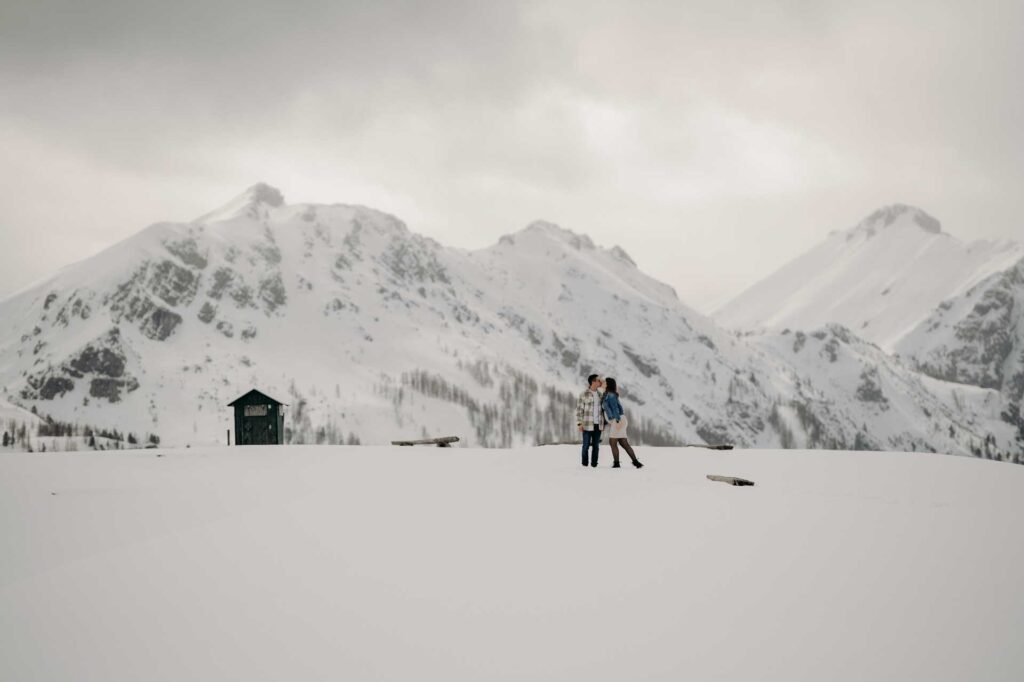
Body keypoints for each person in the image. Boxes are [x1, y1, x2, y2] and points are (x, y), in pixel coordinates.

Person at [602, 377, 643, 468]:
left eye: (605, 382)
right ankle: (636, 462)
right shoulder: (608, 394)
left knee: (613, 442)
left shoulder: (611, 395)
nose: (603, 383)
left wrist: (617, 420)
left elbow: (615, 408)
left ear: (608, 384)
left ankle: (617, 464)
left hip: (618, 419)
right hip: (620, 419)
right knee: (623, 442)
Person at [575, 374, 605, 467]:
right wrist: (579, 424)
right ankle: (584, 464)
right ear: (593, 382)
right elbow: (579, 410)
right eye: (598, 380)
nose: (600, 382)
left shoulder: (601, 395)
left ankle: (594, 465)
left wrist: (603, 424)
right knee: (586, 446)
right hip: (587, 424)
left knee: (596, 446)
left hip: (598, 425)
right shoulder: (583, 394)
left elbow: (603, 411)